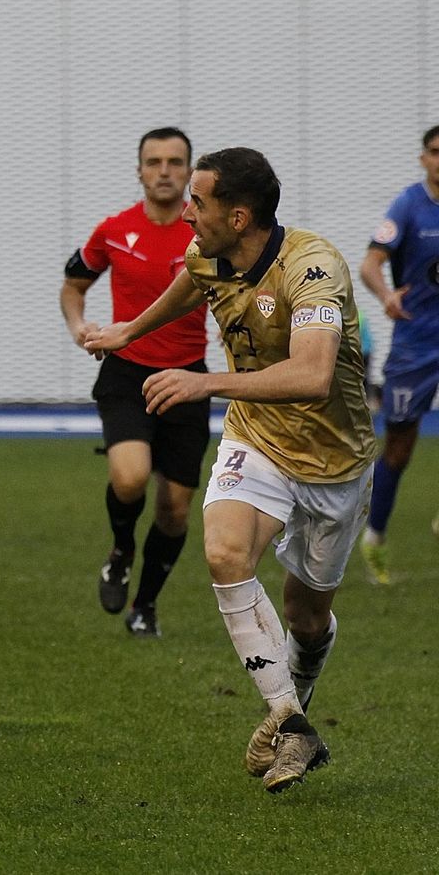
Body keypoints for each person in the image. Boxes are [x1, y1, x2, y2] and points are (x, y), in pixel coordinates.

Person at [85, 147, 376, 793]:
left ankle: (293, 709)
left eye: (199, 202)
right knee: (223, 552)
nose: (188, 213)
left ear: (239, 217)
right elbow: (192, 283)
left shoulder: (313, 268)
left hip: (334, 462)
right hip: (257, 438)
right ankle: (290, 720)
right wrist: (130, 332)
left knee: (305, 617)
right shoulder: (207, 253)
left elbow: (313, 374)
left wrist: (204, 383)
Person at [59, 127, 209, 638]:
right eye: (154, 162)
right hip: (126, 373)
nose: (164, 171)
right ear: (140, 171)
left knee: (174, 510)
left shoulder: (208, 236)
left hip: (187, 378)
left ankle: (144, 606)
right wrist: (79, 326)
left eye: (175, 162)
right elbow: (73, 286)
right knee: (129, 478)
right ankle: (121, 550)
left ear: (190, 172)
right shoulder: (113, 230)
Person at [356, 125, 439, 585]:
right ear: (423, 158)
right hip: (416, 345)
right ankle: (375, 538)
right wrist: (386, 295)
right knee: (399, 449)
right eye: (435, 152)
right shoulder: (408, 206)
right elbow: (370, 263)